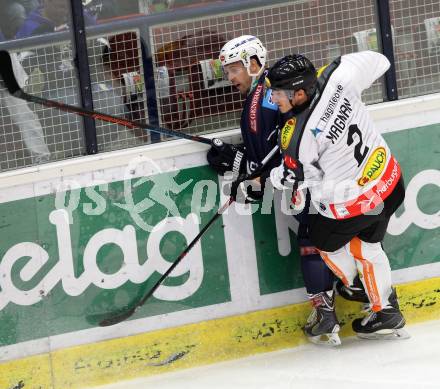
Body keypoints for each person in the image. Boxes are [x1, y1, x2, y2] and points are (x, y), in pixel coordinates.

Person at [207, 35, 365, 346]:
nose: (230, 78)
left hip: (314, 179)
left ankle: (330, 313)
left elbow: (281, 148)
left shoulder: (264, 97)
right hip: (329, 174)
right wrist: (242, 159)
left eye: (234, 69)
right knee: (346, 236)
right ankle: (378, 303)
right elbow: (274, 145)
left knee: (313, 240)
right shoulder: (269, 92)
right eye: (226, 72)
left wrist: (247, 168)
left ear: (253, 63)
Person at [265, 51, 409, 340]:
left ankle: (353, 285)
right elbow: (380, 61)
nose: (274, 99)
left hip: (355, 204)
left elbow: (298, 178)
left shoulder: (298, 135)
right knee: (368, 245)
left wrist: (271, 175)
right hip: (391, 182)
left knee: (321, 241)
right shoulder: (340, 74)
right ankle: (386, 312)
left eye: (279, 93)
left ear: (300, 93)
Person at [15, 0, 96, 38]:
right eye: (60, 7)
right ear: (45, 1)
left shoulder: (76, 15)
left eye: (67, 7)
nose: (64, 11)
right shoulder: (31, 27)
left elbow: (96, 31)